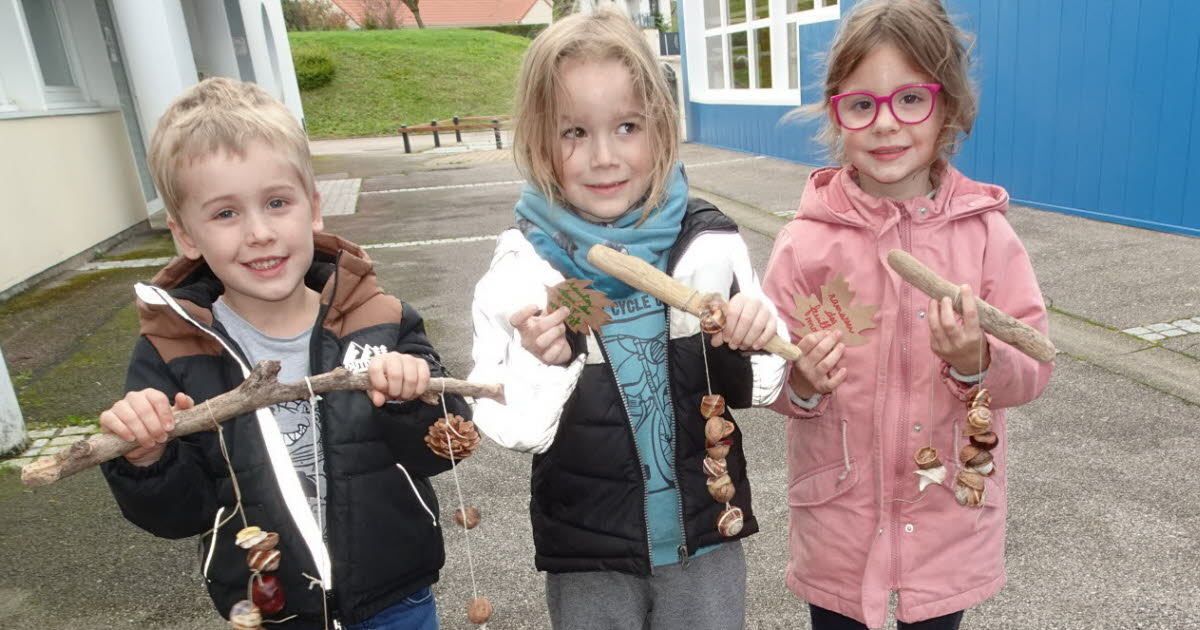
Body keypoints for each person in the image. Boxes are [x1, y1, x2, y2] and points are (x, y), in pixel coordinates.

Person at [98, 77, 468, 630]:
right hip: (268, 610)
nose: (259, 233)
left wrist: (412, 399)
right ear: (185, 235)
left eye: (276, 202)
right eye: (225, 214)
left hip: (396, 599)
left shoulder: (380, 320)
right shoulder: (171, 353)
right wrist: (146, 459)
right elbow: (181, 514)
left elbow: (445, 451)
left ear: (313, 208)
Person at [467, 7, 787, 629]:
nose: (604, 157)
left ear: (661, 129)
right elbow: (512, 427)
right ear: (538, 141)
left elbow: (764, 383)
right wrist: (543, 363)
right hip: (589, 554)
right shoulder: (524, 268)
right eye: (574, 133)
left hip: (705, 541)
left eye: (627, 126)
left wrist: (751, 334)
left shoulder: (706, 246)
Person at [761, 1, 1054, 629]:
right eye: (862, 104)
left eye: (910, 100)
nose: (886, 124)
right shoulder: (806, 242)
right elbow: (766, 371)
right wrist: (802, 380)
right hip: (837, 519)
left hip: (945, 515)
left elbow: (1033, 366)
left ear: (946, 106)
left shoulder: (985, 236)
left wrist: (976, 362)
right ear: (837, 114)